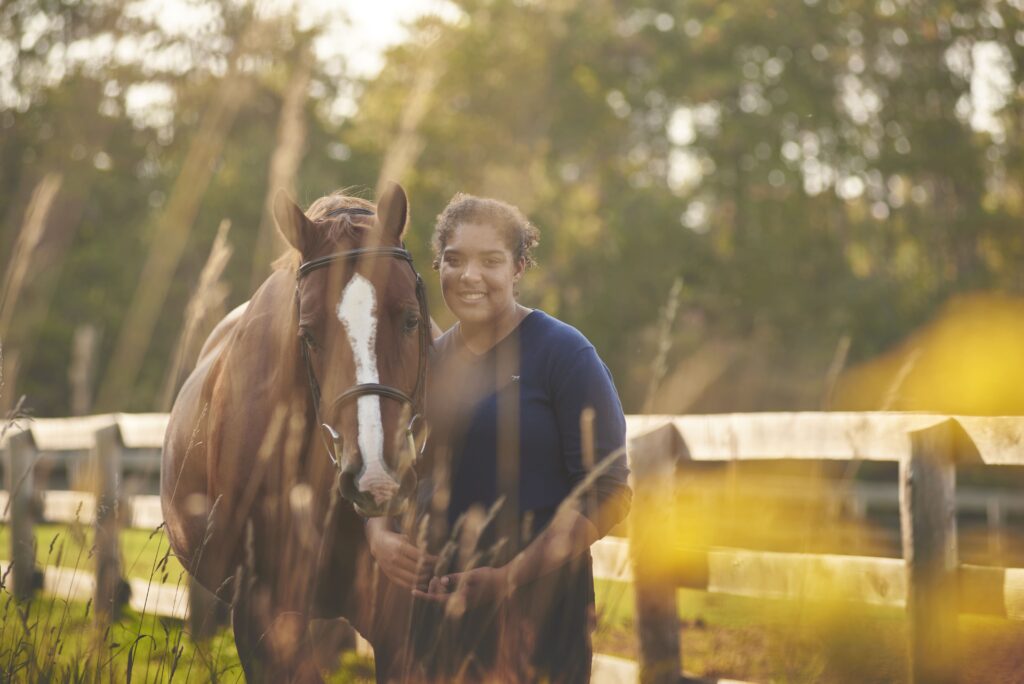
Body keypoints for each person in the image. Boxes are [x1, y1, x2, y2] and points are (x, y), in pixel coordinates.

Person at [365, 193, 631, 683]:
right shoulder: (423, 364)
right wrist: (378, 535)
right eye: (455, 259)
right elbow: (381, 468)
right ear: (437, 265)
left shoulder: (564, 353)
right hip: (426, 622)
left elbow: (609, 491)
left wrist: (507, 578)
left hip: (539, 617)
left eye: (491, 261)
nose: (470, 276)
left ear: (519, 268)